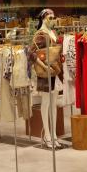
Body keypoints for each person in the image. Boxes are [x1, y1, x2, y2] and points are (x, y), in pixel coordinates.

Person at [29, 8, 64, 149]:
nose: (53, 20)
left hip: (56, 71)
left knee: (53, 104)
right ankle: (47, 135)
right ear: (43, 18)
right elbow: (31, 53)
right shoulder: (40, 34)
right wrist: (44, 65)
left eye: (54, 18)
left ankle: (54, 135)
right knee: (46, 103)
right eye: (50, 18)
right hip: (45, 73)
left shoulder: (53, 32)